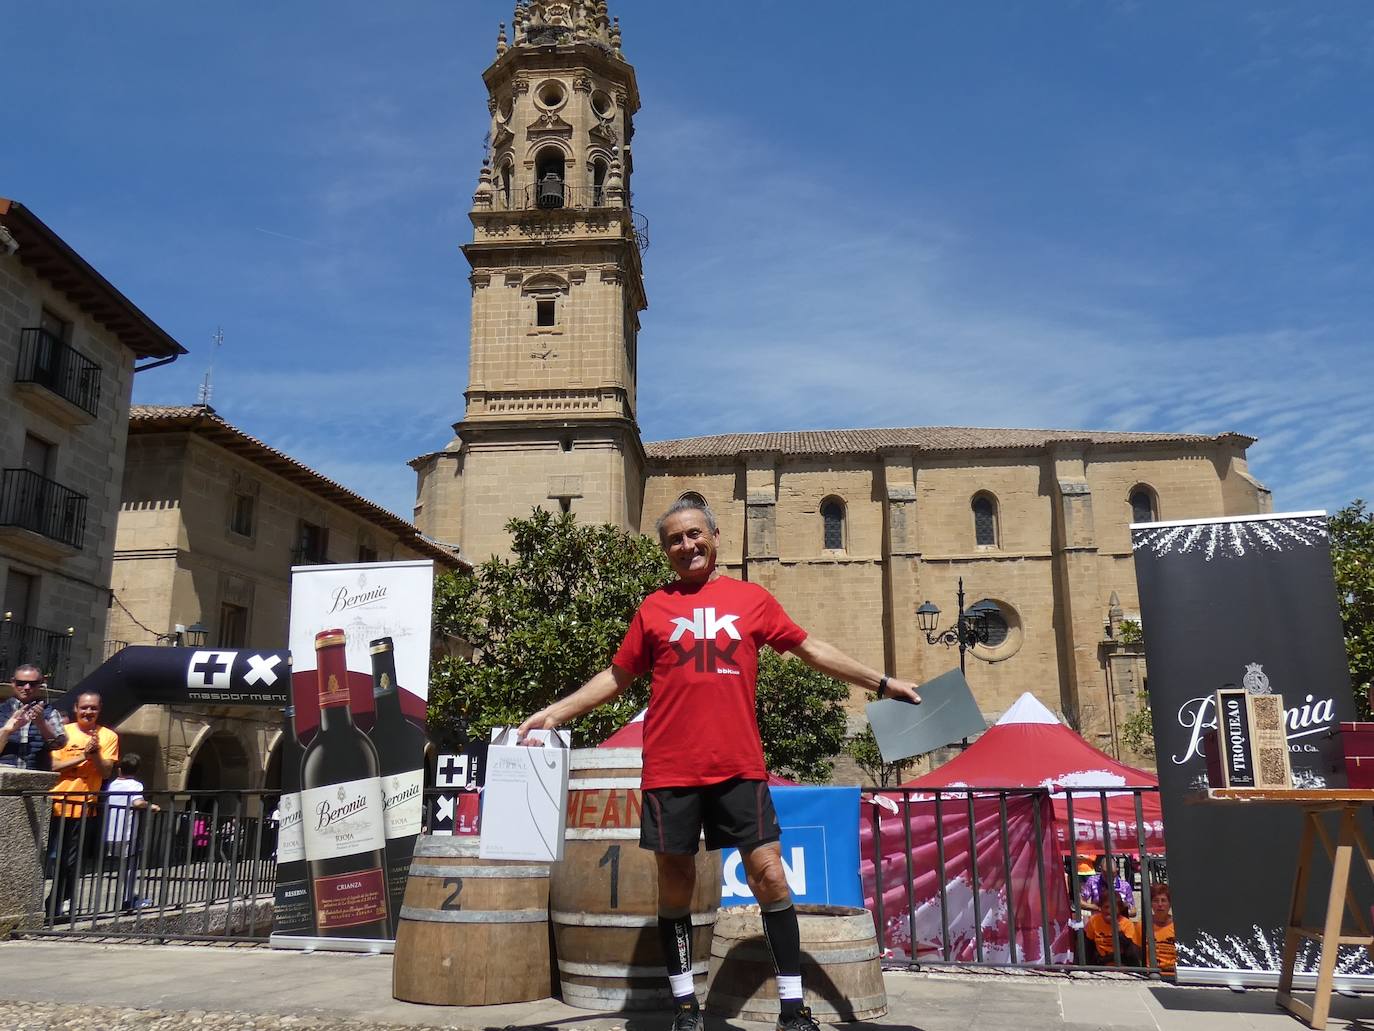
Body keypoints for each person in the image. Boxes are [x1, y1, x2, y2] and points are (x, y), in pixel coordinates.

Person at [517, 497, 922, 1031]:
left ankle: (793, 1008)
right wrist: (555, 712)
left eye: (693, 535)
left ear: (714, 536)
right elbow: (617, 677)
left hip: (739, 767)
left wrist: (884, 683)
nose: (686, 546)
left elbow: (809, 648)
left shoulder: (750, 599)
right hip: (669, 770)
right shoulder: (653, 609)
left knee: (770, 876)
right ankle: (686, 1007)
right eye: (674, 540)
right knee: (677, 887)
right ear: (666, 551)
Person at [47, 691, 118, 920]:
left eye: (93, 708)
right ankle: (51, 903)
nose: (88, 712)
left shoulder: (108, 736)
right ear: (76, 708)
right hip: (56, 803)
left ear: (99, 710)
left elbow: (106, 771)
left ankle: (58, 902)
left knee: (70, 860)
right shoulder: (62, 733)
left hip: (84, 807)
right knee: (52, 857)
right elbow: (54, 765)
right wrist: (82, 757)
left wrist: (95, 754)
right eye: (84, 707)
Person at [105, 753, 159, 912]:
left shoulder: (112, 785)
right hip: (127, 831)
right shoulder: (135, 785)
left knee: (122, 864)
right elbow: (137, 802)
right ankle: (128, 899)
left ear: (119, 769)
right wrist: (152, 806)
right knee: (131, 865)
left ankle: (129, 896)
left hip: (111, 830)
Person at [0, 664, 67, 769]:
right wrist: (6, 731)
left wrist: (42, 724)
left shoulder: (50, 712)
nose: (27, 687)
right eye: (21, 683)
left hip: (37, 779)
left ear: (40, 684)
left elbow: (59, 745)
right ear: (13, 682)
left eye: (33, 684)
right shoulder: (1, 710)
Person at [1085, 888, 1142, 967]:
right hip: (1101, 961)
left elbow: (1131, 952)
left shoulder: (1126, 924)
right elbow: (1088, 947)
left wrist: (1119, 933)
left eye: (1113, 907)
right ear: (1100, 908)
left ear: (1119, 909)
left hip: (1123, 961)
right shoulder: (1094, 920)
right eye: (1106, 907)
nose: (1109, 911)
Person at [1129, 882, 1176, 977]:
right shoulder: (1142, 926)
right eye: (1155, 901)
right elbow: (1136, 953)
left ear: (1170, 904)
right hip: (1151, 974)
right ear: (1150, 904)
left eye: (1163, 900)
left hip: (1174, 974)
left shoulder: (1177, 927)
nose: (1160, 904)